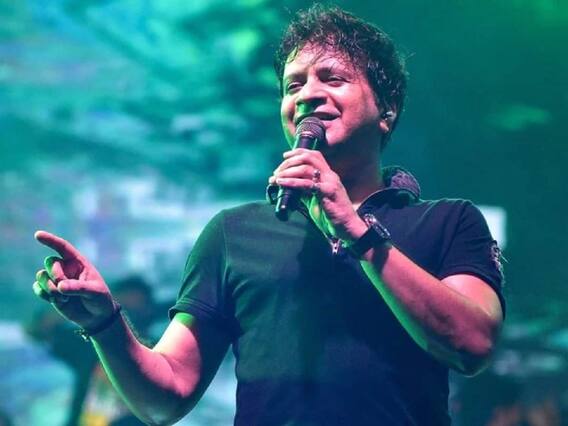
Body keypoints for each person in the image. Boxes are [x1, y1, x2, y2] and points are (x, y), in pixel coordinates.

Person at [32, 5, 505, 425]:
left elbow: (473, 344)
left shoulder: (449, 222)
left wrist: (356, 231)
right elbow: (166, 398)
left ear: (387, 109)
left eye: (332, 79)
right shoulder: (234, 234)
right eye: (293, 85)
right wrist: (105, 324)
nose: (307, 95)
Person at [27, 276, 161, 426]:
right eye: (121, 308)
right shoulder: (90, 345)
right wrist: (78, 307)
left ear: (148, 311)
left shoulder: (157, 351)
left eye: (133, 310)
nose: (125, 317)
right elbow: (38, 329)